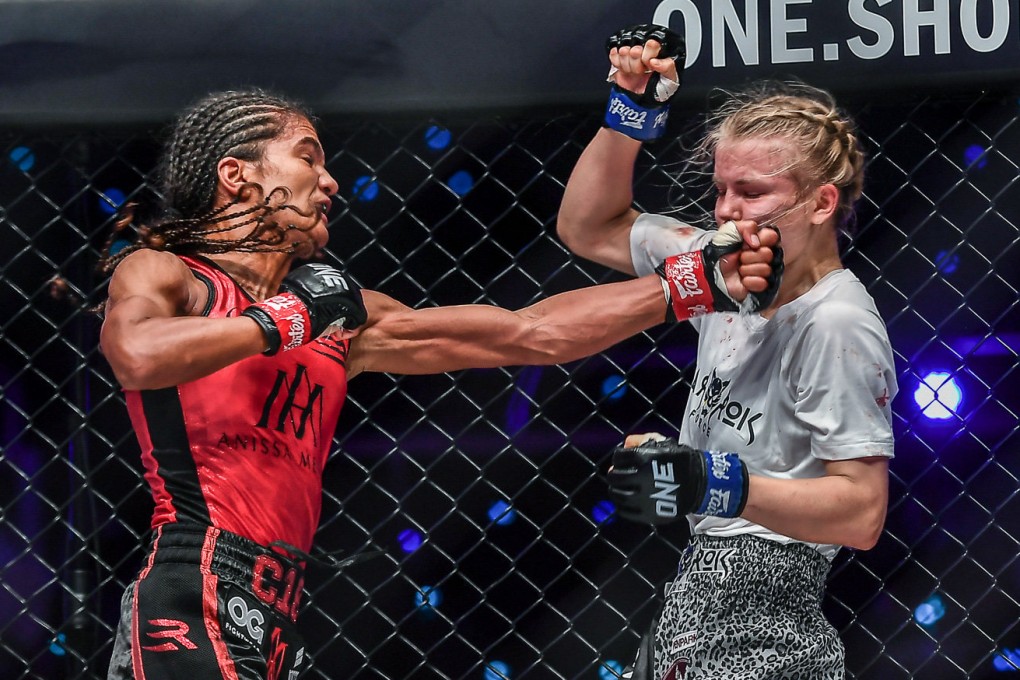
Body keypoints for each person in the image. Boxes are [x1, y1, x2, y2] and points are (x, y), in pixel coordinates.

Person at [97, 87, 782, 679]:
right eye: (307, 157)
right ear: (236, 175)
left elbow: (531, 333)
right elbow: (136, 353)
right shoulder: (171, 275)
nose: (329, 181)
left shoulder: (338, 321)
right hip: (194, 584)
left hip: (279, 604)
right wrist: (286, 318)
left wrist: (691, 282)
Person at [556, 24, 897, 680]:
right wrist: (630, 109)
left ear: (821, 203)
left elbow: (861, 513)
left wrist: (707, 478)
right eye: (721, 190)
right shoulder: (720, 269)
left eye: (753, 193)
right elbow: (587, 226)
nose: (727, 212)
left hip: (770, 602)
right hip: (700, 587)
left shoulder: (836, 322)